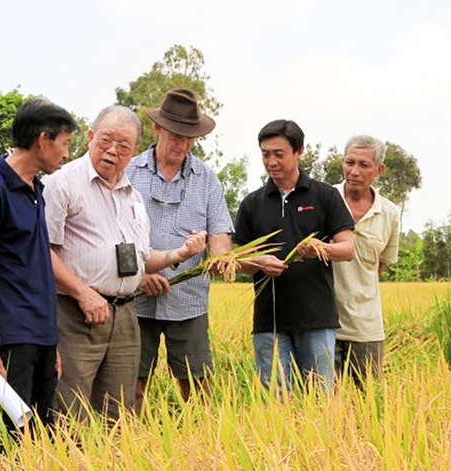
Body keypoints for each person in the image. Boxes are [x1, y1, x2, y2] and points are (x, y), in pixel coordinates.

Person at [42, 105, 207, 422]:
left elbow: (142, 258)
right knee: (69, 410)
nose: (112, 151)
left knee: (118, 415)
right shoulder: (61, 184)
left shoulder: (131, 195)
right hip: (75, 314)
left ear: (134, 152)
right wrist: (82, 292)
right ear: (90, 137)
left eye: (123, 146)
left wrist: (179, 254)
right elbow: (41, 251)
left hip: (124, 315)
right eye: (105, 141)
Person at [0, 97, 78, 432]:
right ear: (43, 139)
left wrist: (50, 342)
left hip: (41, 337)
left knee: (42, 438)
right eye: (65, 143)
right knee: (8, 442)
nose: (67, 153)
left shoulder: (36, 189)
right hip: (11, 339)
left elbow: (38, 263)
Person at [126, 89, 234, 412]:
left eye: (189, 138)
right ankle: (129, 447)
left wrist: (220, 257)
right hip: (135, 298)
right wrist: (140, 273)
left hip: (188, 298)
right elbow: (113, 232)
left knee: (197, 382)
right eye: (175, 136)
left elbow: (220, 231)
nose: (182, 145)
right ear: (158, 129)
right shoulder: (129, 172)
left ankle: (202, 449)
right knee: (132, 381)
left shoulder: (207, 179)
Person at [234, 119, 355, 392]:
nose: (271, 161)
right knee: (274, 401)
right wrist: (258, 262)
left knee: (320, 400)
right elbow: (238, 260)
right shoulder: (253, 203)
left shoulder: (324, 195)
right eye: (265, 154)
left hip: (316, 318)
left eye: (279, 154)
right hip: (269, 321)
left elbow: (348, 249)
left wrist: (320, 249)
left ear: (299, 152)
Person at [333, 135, 401, 387]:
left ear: (379, 170)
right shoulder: (323, 199)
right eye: (349, 163)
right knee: (322, 407)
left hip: (366, 327)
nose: (354, 171)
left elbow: (380, 267)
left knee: (369, 404)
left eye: (364, 165)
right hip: (323, 325)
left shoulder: (390, 214)